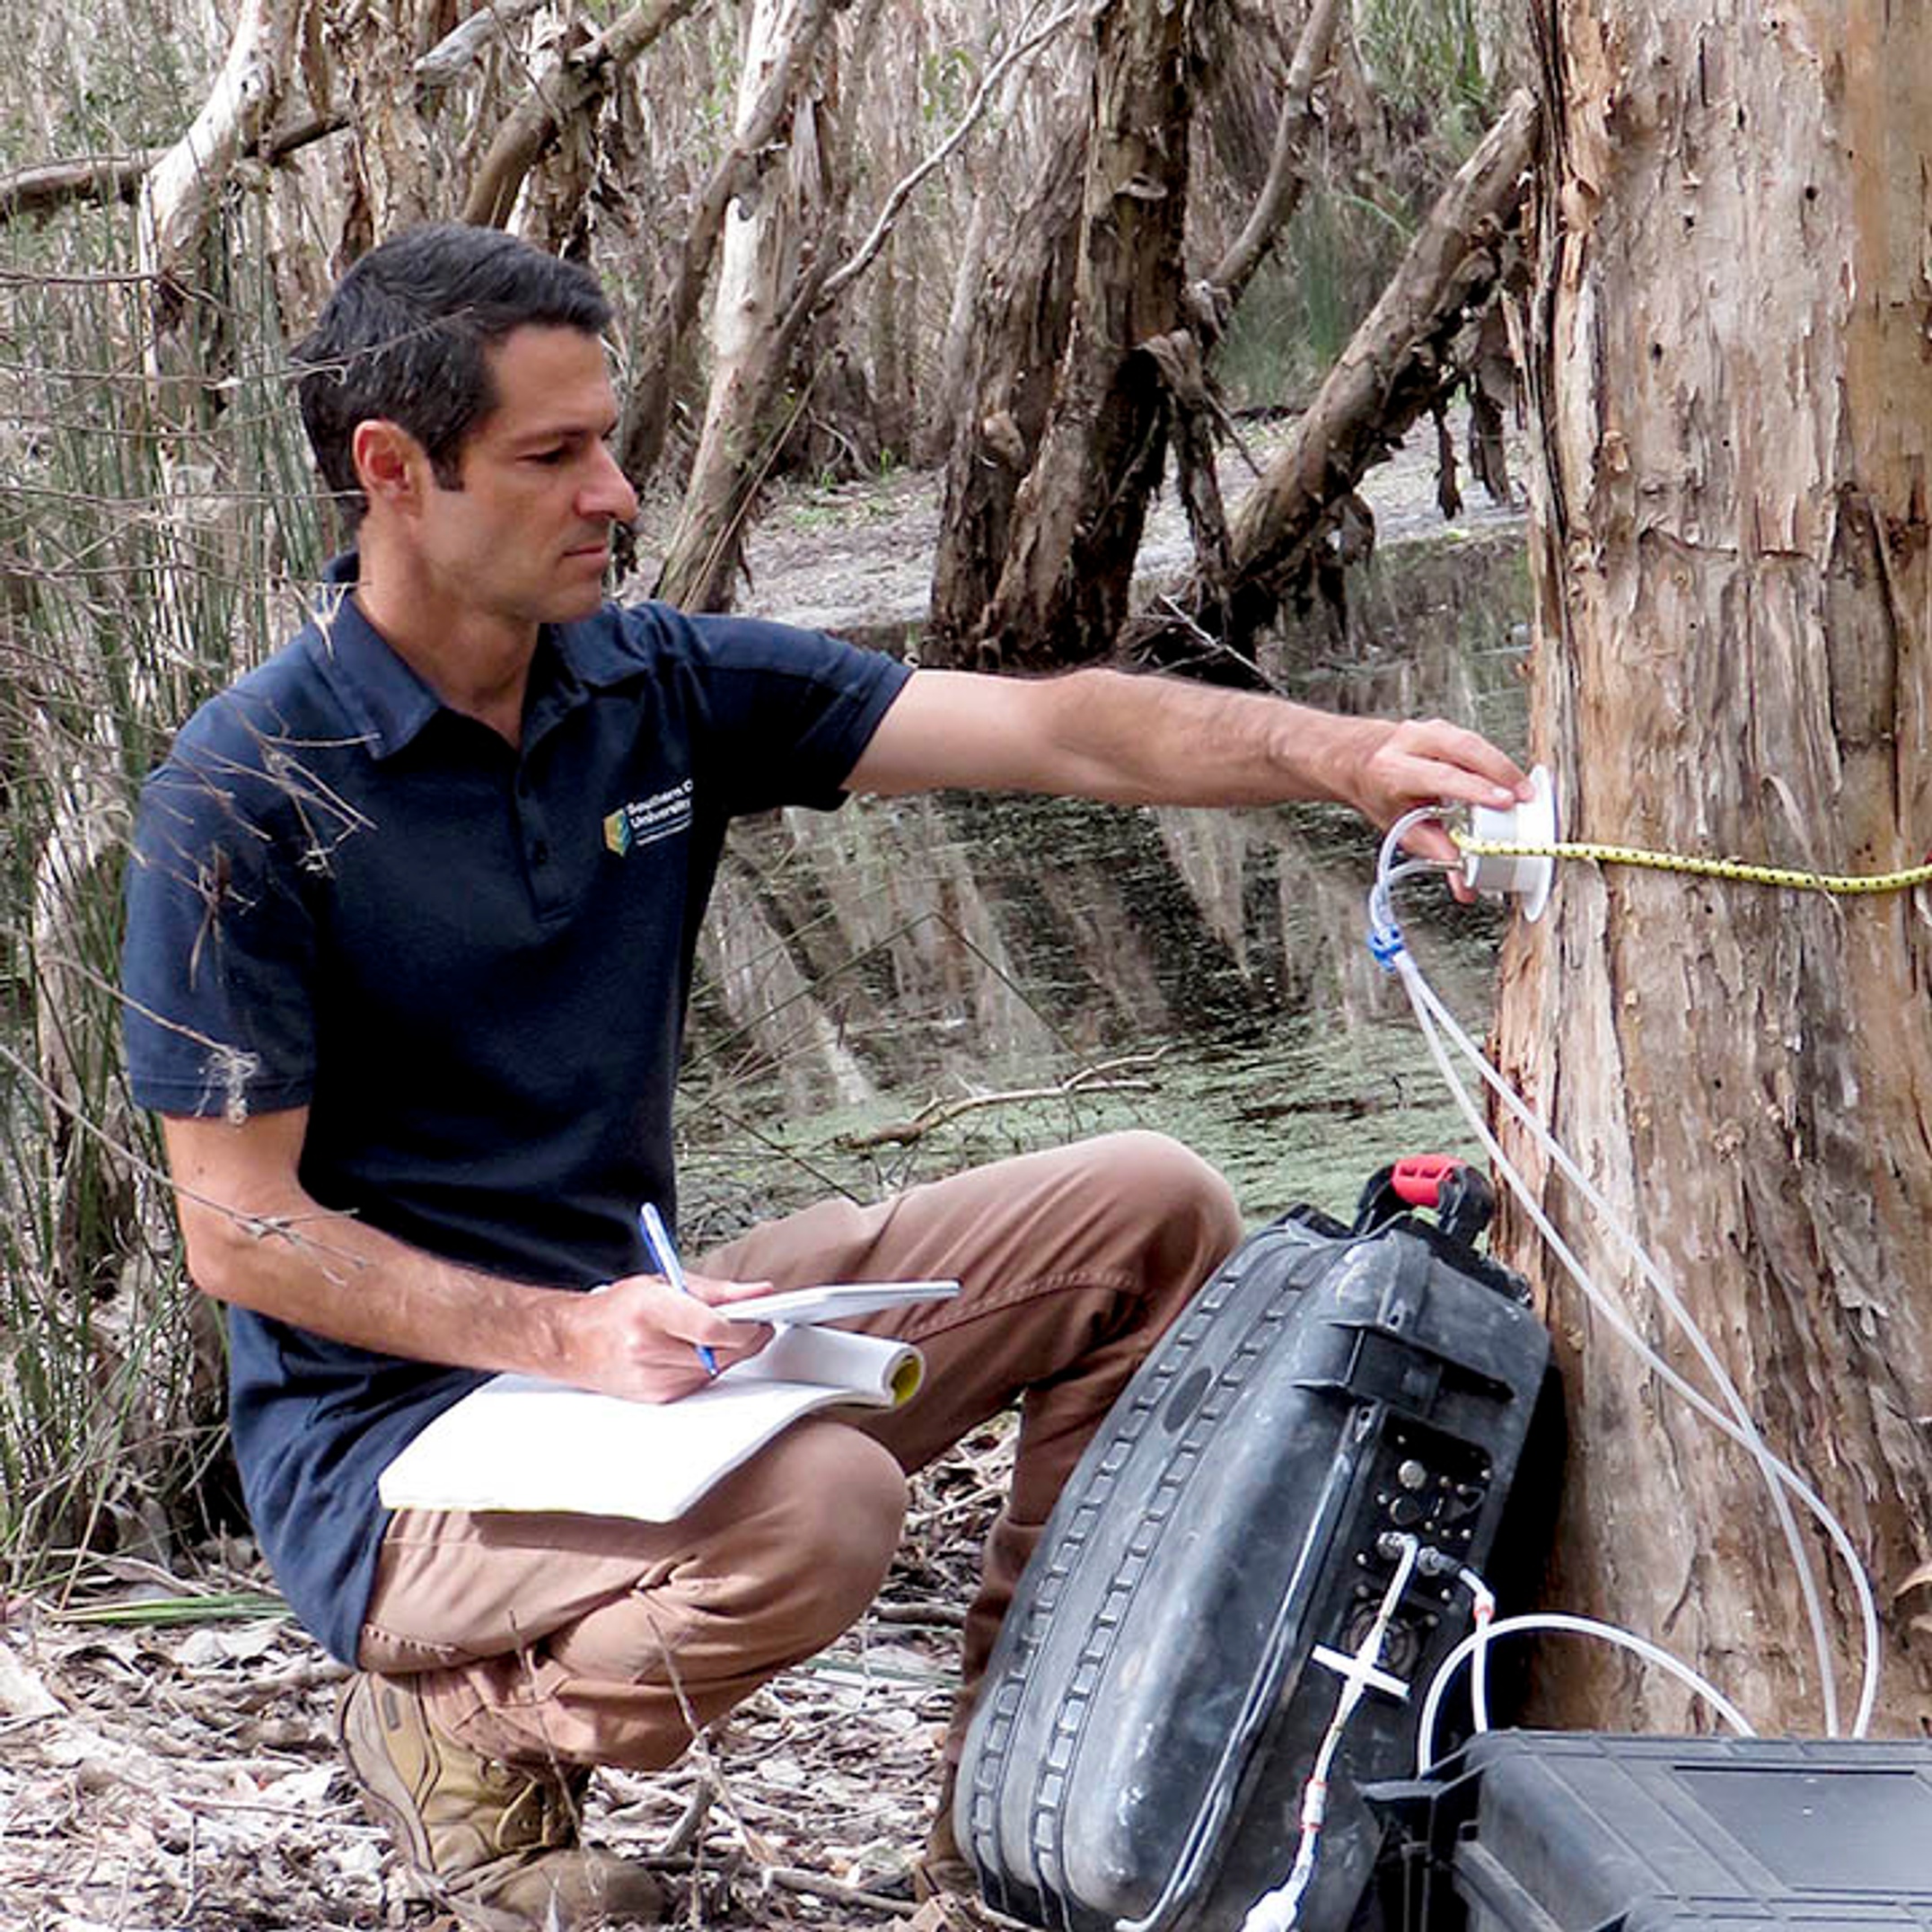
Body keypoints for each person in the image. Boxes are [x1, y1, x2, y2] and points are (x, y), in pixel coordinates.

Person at [120, 223, 1531, 1931]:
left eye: (613, 442)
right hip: (402, 1456)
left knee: (1152, 1209)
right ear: (393, 473)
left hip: (653, 1329)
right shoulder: (247, 794)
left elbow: (1055, 730)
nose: (618, 494)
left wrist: (1340, 756)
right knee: (828, 1504)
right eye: (556, 456)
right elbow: (242, 1234)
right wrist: (570, 1338)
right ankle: (464, 1723)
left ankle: (1010, 1793)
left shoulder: (654, 692)